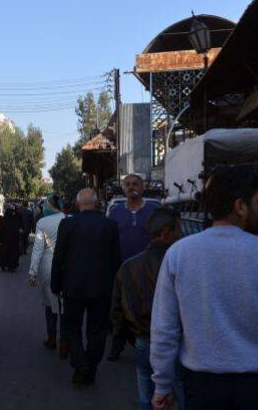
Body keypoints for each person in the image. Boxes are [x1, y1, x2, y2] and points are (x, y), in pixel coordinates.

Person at [150, 166, 258, 410]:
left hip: (203, 390)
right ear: (240, 206)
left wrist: (162, 384)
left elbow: (164, 329)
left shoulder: (179, 254)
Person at [111, 207, 184, 410]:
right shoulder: (181, 263)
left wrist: (130, 337)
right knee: (180, 392)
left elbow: (116, 310)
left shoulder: (129, 266)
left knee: (146, 396)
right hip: (177, 343)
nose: (181, 235)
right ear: (167, 232)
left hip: (143, 340)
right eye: (179, 230)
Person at [51, 188, 121, 385]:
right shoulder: (110, 225)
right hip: (102, 288)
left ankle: (81, 363)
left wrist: (55, 284)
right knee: (97, 331)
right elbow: (116, 260)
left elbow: (59, 258)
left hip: (73, 287)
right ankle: (90, 368)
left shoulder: (67, 224)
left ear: (78, 204)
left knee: (71, 327)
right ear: (96, 203)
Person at [107, 174, 161, 361]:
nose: (131, 187)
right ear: (123, 189)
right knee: (120, 308)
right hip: (122, 270)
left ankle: (152, 347)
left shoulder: (154, 210)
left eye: (135, 183)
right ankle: (117, 346)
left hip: (149, 269)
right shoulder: (115, 212)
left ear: (143, 187)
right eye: (128, 184)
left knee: (149, 307)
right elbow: (110, 241)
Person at [28, 194, 67, 357]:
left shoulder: (42, 222)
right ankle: (65, 342)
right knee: (64, 306)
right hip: (66, 266)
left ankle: (52, 338)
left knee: (50, 305)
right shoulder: (67, 219)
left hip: (47, 267)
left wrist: (32, 272)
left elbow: (37, 249)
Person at [0, 203, 22, 272]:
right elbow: (1, 230)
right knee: (10, 254)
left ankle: (6, 266)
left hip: (8, 241)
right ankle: (9, 266)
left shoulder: (4, 220)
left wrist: (0, 240)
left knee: (6, 254)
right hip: (10, 241)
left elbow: (0, 231)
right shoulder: (11, 220)